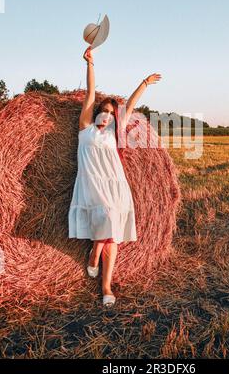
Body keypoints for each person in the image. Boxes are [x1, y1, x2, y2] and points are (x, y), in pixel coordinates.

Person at [68, 45, 161, 307]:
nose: (107, 116)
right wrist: (90, 63)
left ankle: (105, 281)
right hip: (91, 184)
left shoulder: (113, 134)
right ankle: (94, 255)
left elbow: (130, 106)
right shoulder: (85, 129)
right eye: (104, 111)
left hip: (116, 186)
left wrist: (144, 83)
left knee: (113, 236)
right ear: (96, 112)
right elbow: (89, 93)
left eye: (111, 113)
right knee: (108, 221)